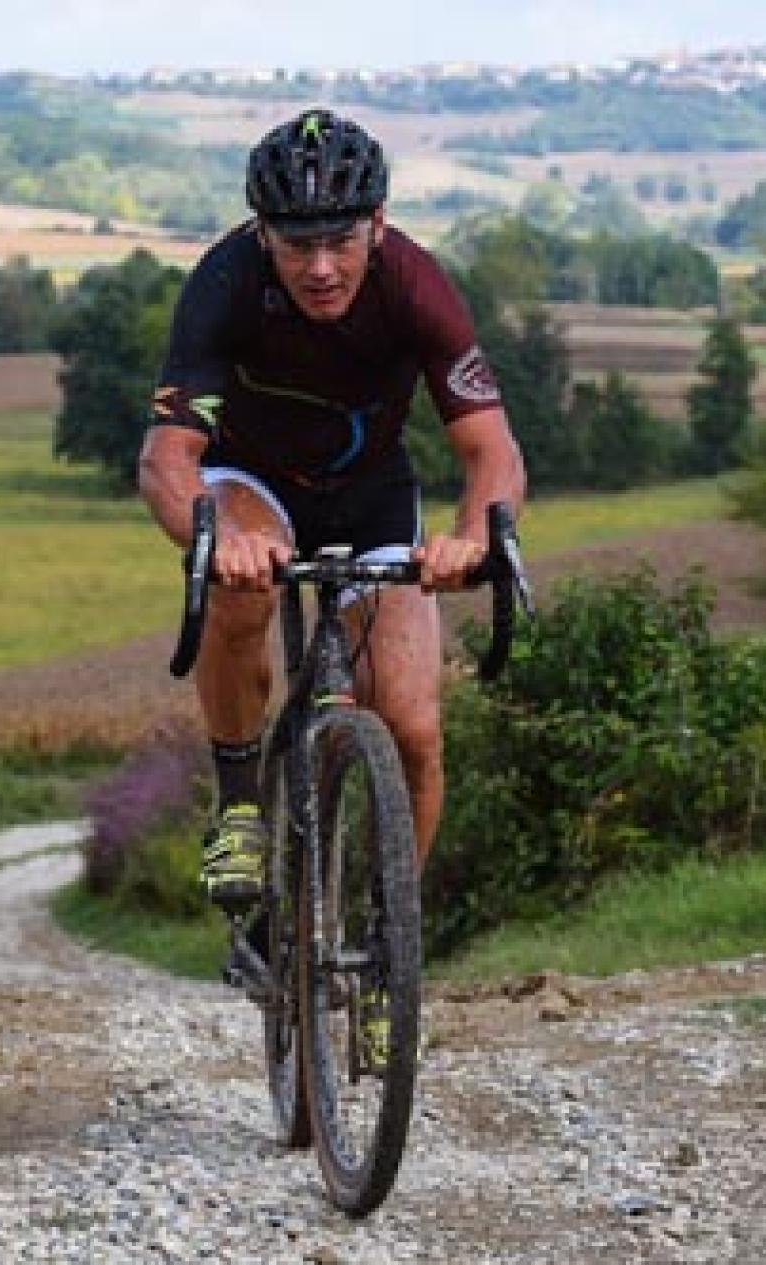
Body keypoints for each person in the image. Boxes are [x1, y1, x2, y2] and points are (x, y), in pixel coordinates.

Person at [137, 108, 526, 1053]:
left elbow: (493, 451)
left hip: (372, 494)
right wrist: (214, 529)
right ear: (263, 235)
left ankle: (394, 948)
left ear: (378, 225)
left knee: (417, 727)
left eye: (340, 241)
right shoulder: (226, 282)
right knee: (244, 585)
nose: (320, 267)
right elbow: (166, 458)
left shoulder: (418, 286)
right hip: (254, 481)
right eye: (297, 243)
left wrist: (472, 533)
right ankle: (238, 805)